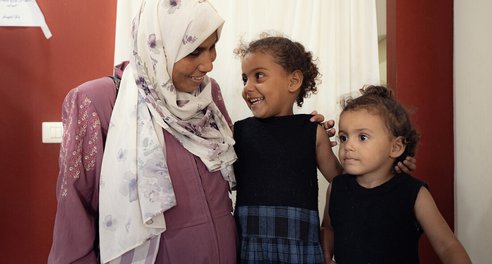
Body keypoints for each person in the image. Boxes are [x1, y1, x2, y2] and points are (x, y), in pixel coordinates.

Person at [48, 1, 331, 263]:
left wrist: (301, 133)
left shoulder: (209, 93)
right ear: (159, 45)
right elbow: (74, 209)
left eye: (212, 47)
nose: (208, 65)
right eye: (195, 50)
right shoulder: (98, 100)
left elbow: (253, 159)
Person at [321, 85, 472, 263]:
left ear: (396, 147)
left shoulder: (414, 193)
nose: (348, 146)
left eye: (362, 137)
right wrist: (326, 256)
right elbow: (328, 228)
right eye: (344, 137)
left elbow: (448, 246)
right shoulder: (337, 188)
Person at [232, 34, 344, 263]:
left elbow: (341, 182)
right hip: (249, 243)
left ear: (293, 81)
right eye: (245, 79)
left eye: (258, 76)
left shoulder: (313, 131)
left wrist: (329, 229)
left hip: (300, 244)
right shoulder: (238, 132)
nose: (247, 88)